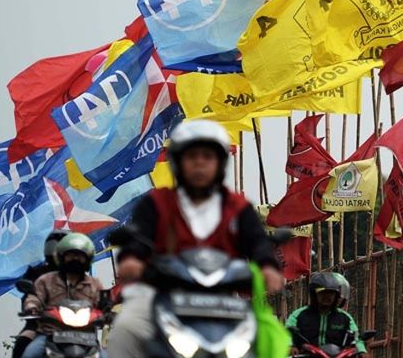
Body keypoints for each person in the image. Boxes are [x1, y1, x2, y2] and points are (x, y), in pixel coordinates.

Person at [107, 119, 284, 357]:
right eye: (192, 157)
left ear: (220, 163)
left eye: (207, 157)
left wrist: (269, 267)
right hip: (162, 294)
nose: (199, 163)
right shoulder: (157, 203)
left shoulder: (238, 207)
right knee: (126, 325)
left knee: (266, 339)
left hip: (222, 299)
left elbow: (257, 242)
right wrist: (131, 259)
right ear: (178, 163)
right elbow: (138, 237)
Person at [21, 232, 104, 358]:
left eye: (79, 256)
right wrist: (32, 306)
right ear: (62, 256)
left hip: (85, 336)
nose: (75, 259)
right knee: (29, 353)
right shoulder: (45, 279)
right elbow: (34, 297)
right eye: (71, 255)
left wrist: (108, 308)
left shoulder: (94, 283)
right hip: (50, 332)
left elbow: (103, 300)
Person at [11, 229, 71, 358]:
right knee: (23, 344)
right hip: (39, 326)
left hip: (73, 327)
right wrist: (32, 306)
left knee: (99, 350)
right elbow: (29, 295)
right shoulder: (36, 273)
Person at [285, 272, 365, 355]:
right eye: (322, 292)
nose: (327, 296)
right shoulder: (299, 315)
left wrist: (362, 351)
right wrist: (290, 346)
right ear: (314, 294)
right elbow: (286, 332)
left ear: (336, 295)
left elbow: (356, 336)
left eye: (331, 293)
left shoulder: (345, 318)